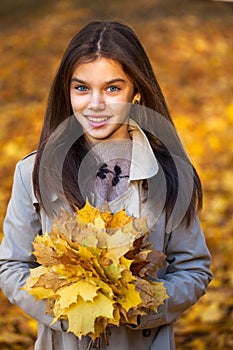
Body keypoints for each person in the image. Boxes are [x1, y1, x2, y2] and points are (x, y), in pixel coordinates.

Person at [0, 20, 212, 350]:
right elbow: (12, 266)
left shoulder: (170, 174)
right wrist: (72, 309)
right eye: (82, 88)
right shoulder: (33, 171)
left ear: (136, 92)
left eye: (113, 88)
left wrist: (142, 305)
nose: (95, 103)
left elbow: (194, 269)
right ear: (67, 92)